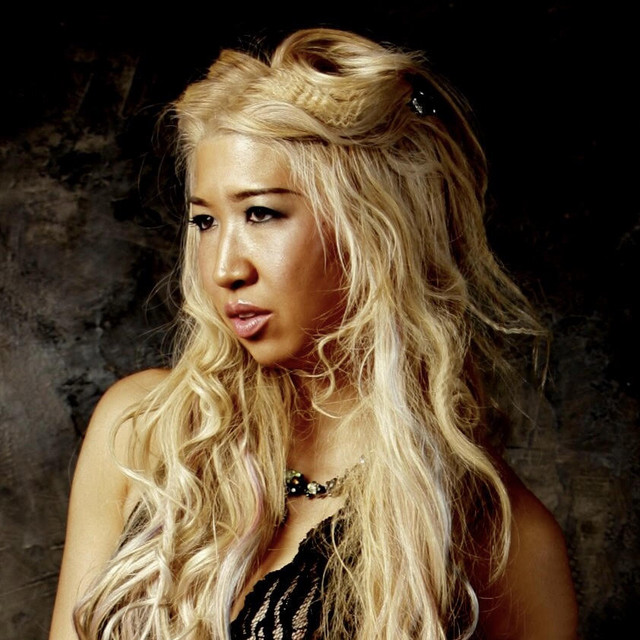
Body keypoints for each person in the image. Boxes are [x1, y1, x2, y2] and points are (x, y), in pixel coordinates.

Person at [49, 28, 578, 639]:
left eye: (261, 213)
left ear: (372, 227)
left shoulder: (501, 538)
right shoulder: (144, 429)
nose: (224, 268)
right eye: (205, 220)